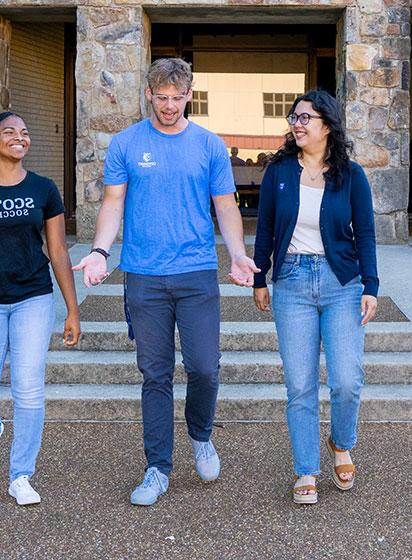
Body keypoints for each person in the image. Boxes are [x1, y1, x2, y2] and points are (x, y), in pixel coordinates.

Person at [72, 58, 258, 506]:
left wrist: (236, 254)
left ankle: (200, 434)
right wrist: (100, 251)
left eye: (178, 98)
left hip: (196, 272)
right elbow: (113, 204)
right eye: (162, 97)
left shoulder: (209, 145)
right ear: (149, 96)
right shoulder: (126, 143)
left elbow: (226, 207)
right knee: (154, 374)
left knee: (204, 367)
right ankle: (157, 468)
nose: (170, 105)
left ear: (189, 95)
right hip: (144, 276)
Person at [252, 90, 379, 505]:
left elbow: (366, 233)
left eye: (306, 117)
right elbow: (266, 227)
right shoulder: (279, 171)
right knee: (300, 384)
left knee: (346, 380)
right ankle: (305, 468)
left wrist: (371, 286)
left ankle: (340, 443)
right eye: (294, 117)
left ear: (328, 124)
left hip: (340, 282)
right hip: (291, 280)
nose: (297, 123)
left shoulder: (351, 175)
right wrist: (259, 278)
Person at [0, 111, 81, 506]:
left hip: (33, 298)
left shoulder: (43, 188)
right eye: (9, 132)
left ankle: (21, 474)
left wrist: (72, 308)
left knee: (28, 389)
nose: (19, 138)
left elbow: (57, 250)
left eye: (24, 133)